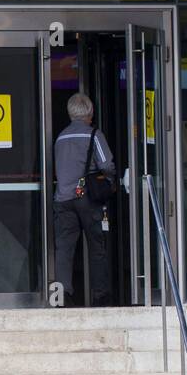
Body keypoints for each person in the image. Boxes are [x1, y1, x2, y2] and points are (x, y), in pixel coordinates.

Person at [53, 93, 115, 307]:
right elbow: (106, 164)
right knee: (97, 247)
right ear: (89, 113)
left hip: (63, 199)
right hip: (87, 198)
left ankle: (62, 297)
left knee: (64, 249)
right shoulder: (93, 135)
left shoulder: (60, 137)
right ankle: (100, 296)